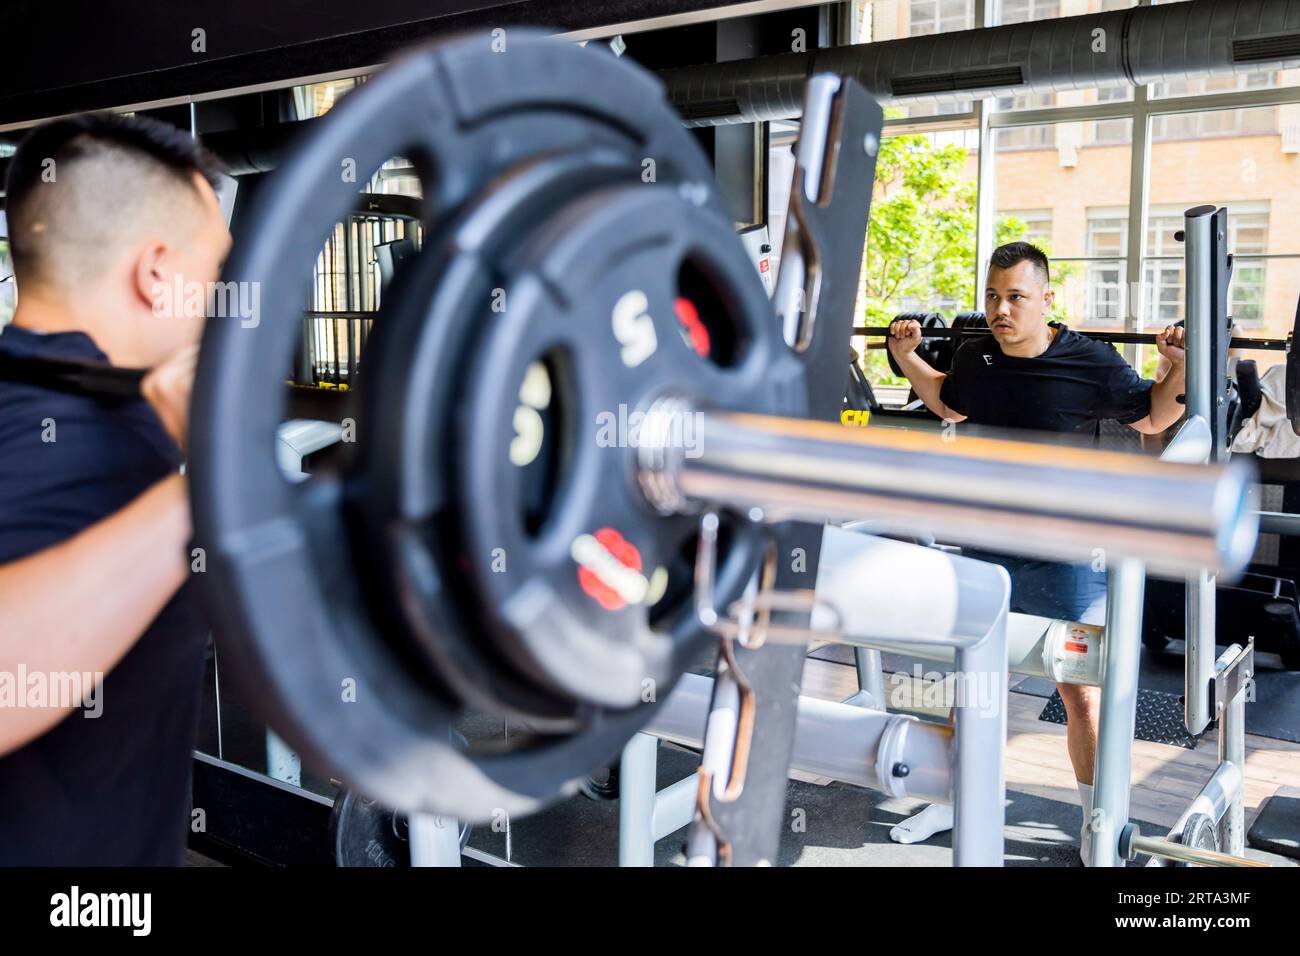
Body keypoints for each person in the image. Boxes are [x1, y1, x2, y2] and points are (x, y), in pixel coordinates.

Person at [883, 241, 1187, 864]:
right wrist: (905, 355)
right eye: (992, 296)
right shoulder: (977, 356)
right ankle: (956, 799)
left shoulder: (1092, 363)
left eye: (1015, 297)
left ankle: (1098, 823)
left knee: (1080, 692)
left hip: (1069, 554)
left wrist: (1176, 366)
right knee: (973, 681)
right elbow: (947, 400)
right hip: (989, 547)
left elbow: (1155, 419)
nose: (1001, 309)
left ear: (1047, 299)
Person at [0, 112, 230, 863]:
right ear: (157, 273)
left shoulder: (33, 389)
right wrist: (204, 492)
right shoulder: (89, 440)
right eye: (218, 271)